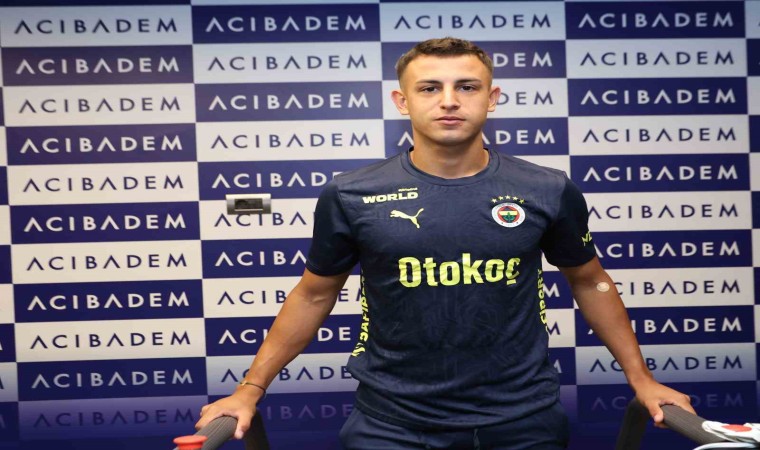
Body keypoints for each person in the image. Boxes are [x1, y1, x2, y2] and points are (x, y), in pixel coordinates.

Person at [196, 37, 695, 449]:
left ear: (492, 98)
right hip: (390, 423)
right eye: (430, 87)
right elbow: (312, 295)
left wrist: (642, 379)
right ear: (402, 101)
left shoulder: (546, 188)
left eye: (467, 87)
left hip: (524, 420)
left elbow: (590, 282)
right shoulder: (351, 193)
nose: (450, 100)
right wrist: (250, 389)